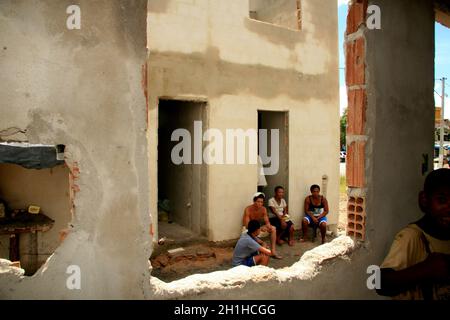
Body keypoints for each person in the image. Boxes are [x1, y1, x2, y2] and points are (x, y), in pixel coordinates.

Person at [376, 169, 450, 300]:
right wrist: (426, 270)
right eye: (442, 200)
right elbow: (378, 282)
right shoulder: (411, 237)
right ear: (424, 200)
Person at [243, 192, 282, 259]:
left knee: (273, 228)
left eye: (261, 202)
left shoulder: (263, 209)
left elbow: (267, 222)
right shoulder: (248, 209)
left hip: (258, 229)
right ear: (254, 201)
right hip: (248, 231)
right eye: (258, 202)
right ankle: (259, 252)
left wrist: (267, 226)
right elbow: (247, 226)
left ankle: (273, 251)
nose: (260, 204)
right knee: (248, 233)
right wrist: (260, 228)